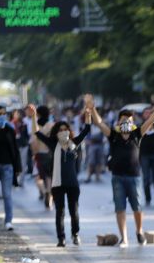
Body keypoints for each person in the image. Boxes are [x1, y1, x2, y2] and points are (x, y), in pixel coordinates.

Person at [91, 92, 154, 248]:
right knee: (120, 208)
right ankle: (124, 238)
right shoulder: (113, 135)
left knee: (137, 207)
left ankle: (139, 231)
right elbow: (100, 123)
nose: (126, 123)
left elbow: (151, 120)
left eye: (128, 120)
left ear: (132, 122)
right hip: (117, 177)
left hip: (134, 176)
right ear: (118, 121)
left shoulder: (137, 134)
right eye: (123, 120)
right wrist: (93, 108)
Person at [30, 103, 91, 247]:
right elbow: (36, 133)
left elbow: (87, 129)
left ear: (69, 131)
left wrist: (88, 115)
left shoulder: (74, 143)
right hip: (57, 183)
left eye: (65, 129)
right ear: (56, 132)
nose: (63, 132)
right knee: (60, 212)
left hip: (72, 183)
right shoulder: (53, 144)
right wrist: (33, 117)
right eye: (60, 130)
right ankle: (61, 238)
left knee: (74, 210)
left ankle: (75, 234)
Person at [31, 105, 55, 209]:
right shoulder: (52, 125)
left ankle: (45, 191)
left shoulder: (36, 126)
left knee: (39, 176)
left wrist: (34, 153)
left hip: (39, 153)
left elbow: (33, 141)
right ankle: (49, 192)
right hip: (50, 154)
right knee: (49, 176)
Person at [85, 116, 106, 183]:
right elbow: (86, 136)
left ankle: (98, 177)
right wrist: (88, 142)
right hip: (92, 145)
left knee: (99, 162)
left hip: (100, 145)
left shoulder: (101, 127)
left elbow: (105, 136)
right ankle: (88, 176)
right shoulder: (90, 127)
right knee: (91, 162)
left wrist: (104, 141)